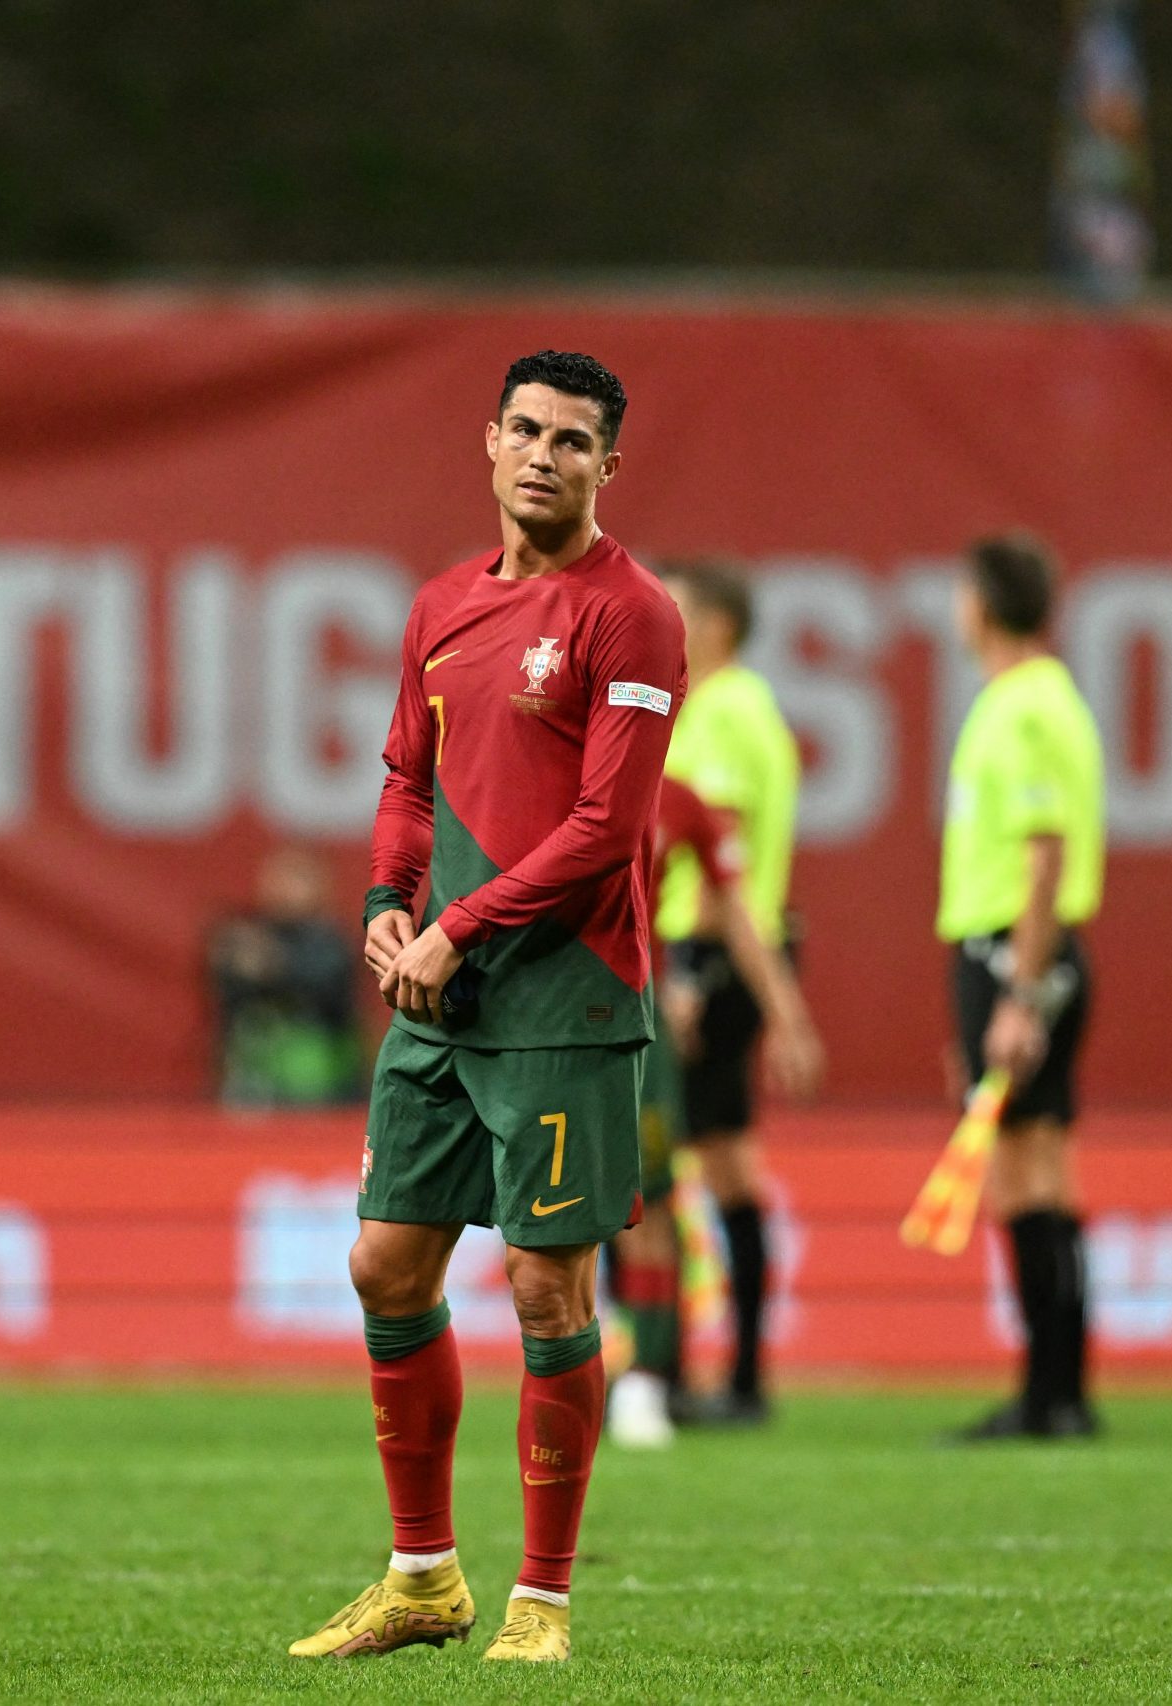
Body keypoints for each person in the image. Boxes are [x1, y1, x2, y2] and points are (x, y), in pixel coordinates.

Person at [288, 351, 684, 1665]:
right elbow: (407, 775)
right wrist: (389, 904)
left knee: (547, 1282)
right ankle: (420, 1576)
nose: (544, 455)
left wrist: (457, 927)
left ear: (607, 467)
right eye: (526, 429)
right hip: (443, 996)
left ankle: (544, 1600)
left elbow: (607, 825)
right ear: (489, 440)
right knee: (385, 1263)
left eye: (575, 441)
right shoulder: (442, 607)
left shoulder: (634, 616)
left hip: (567, 997)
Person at [937, 533, 1106, 1443]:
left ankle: (1048, 1395)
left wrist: (1015, 993)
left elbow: (1045, 859)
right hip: (1019, 954)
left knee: (1023, 1176)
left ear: (984, 604)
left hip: (1015, 954)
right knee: (1046, 1171)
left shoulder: (1024, 708)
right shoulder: (1047, 699)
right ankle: (1062, 1390)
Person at [605, 773, 822, 1449]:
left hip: (631, 1019)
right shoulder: (536, 772)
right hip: (539, 1024)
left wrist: (787, 1017)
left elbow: (733, 908)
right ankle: (583, 1370)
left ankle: (646, 1380)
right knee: (563, 1208)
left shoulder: (679, 799)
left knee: (647, 1202)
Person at [650, 560, 811, 1424]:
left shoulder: (722, 713)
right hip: (730, 956)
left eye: (673, 608)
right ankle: (734, 1375)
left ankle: (688, 1374)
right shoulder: (744, 709)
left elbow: (720, 862)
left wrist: (687, 973)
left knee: (689, 1165)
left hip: (706, 959)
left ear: (714, 625)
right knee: (722, 1164)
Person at [207, 846, 368, 1108]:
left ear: (320, 888)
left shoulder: (332, 941)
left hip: (325, 1084)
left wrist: (272, 967)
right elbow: (227, 997)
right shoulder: (243, 935)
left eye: (297, 879)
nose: (285, 889)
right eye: (278, 878)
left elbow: (327, 989)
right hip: (253, 1082)